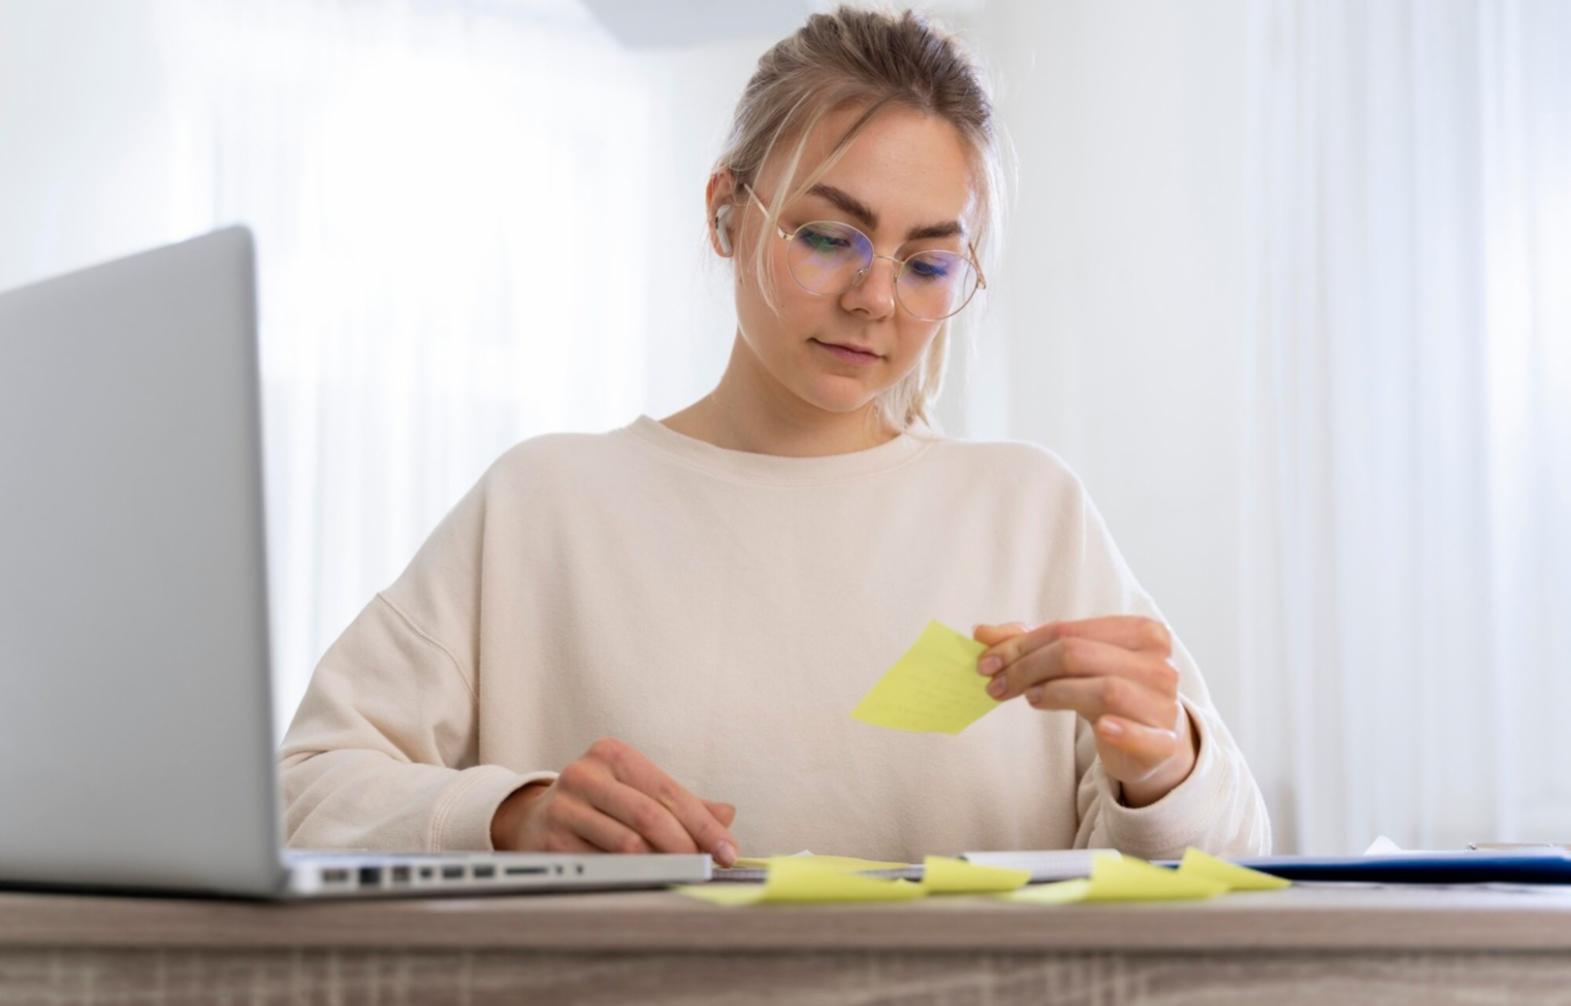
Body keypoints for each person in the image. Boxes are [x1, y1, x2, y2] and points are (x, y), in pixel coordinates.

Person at [279, 6, 1271, 867]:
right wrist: (510, 813)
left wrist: (1162, 766)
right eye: (827, 236)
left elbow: (1228, 863)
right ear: (725, 213)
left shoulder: (1027, 511)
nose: (872, 296)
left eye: (926, 261)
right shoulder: (543, 503)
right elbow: (303, 789)